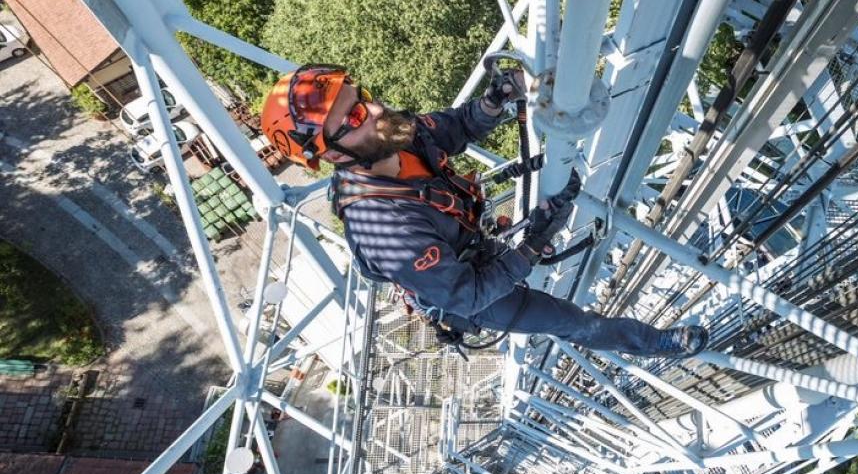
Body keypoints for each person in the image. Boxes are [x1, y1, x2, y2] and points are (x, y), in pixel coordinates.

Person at [261, 64, 709, 357]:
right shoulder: (383, 227)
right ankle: (658, 343)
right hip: (470, 294)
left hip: (467, 243)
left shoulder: (392, 133)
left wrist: (494, 101)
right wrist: (533, 244)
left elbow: (452, 127)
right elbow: (469, 294)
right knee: (572, 322)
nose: (375, 109)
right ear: (335, 154)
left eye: (363, 97)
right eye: (355, 117)